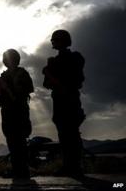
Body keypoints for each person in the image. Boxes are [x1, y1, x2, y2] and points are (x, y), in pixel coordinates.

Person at [42, 29, 86, 178]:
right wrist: (50, 76)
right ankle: (69, 166)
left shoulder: (74, 58)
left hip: (70, 98)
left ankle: (75, 167)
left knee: (72, 133)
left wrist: (53, 76)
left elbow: (76, 79)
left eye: (56, 39)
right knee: (64, 134)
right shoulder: (52, 62)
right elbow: (47, 83)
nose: (53, 42)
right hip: (60, 100)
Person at [0, 49, 34, 178]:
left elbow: (26, 90)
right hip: (7, 110)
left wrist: (8, 87)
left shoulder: (22, 73)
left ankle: (23, 169)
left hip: (19, 109)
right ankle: (17, 168)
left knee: (20, 139)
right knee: (11, 139)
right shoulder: (3, 76)